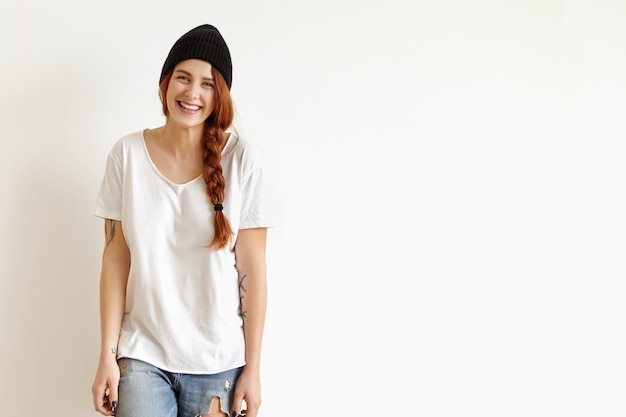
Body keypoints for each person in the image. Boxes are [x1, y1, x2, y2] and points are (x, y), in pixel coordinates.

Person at [91, 24, 273, 417]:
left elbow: (253, 272)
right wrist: (107, 355)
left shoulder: (243, 161)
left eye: (207, 84)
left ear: (219, 95)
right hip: (142, 356)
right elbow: (115, 259)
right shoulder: (127, 156)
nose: (192, 94)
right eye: (183, 78)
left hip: (219, 362)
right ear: (164, 85)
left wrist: (253, 369)